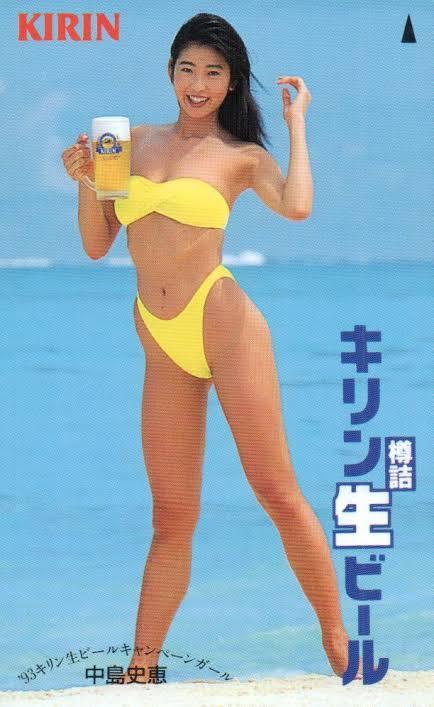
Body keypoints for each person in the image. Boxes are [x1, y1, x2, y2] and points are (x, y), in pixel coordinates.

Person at [61, 12, 360, 683]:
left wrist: (297, 124)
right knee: (171, 515)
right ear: (170, 73)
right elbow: (97, 244)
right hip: (159, 336)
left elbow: (298, 207)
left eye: (213, 72)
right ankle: (141, 670)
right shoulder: (128, 142)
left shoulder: (241, 156)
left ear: (232, 82)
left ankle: (339, 642)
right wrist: (84, 180)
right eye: (187, 69)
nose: (198, 83)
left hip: (222, 320)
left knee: (275, 490)